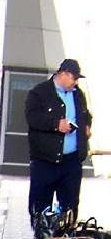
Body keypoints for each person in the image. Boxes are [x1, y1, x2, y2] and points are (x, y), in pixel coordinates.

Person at [25, 59, 92, 226]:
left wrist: (87, 126)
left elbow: (85, 114)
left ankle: (65, 236)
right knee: (41, 202)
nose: (75, 82)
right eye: (73, 78)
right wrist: (56, 125)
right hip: (45, 161)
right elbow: (33, 119)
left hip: (72, 161)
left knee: (70, 203)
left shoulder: (78, 94)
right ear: (62, 74)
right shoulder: (39, 93)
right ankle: (42, 237)